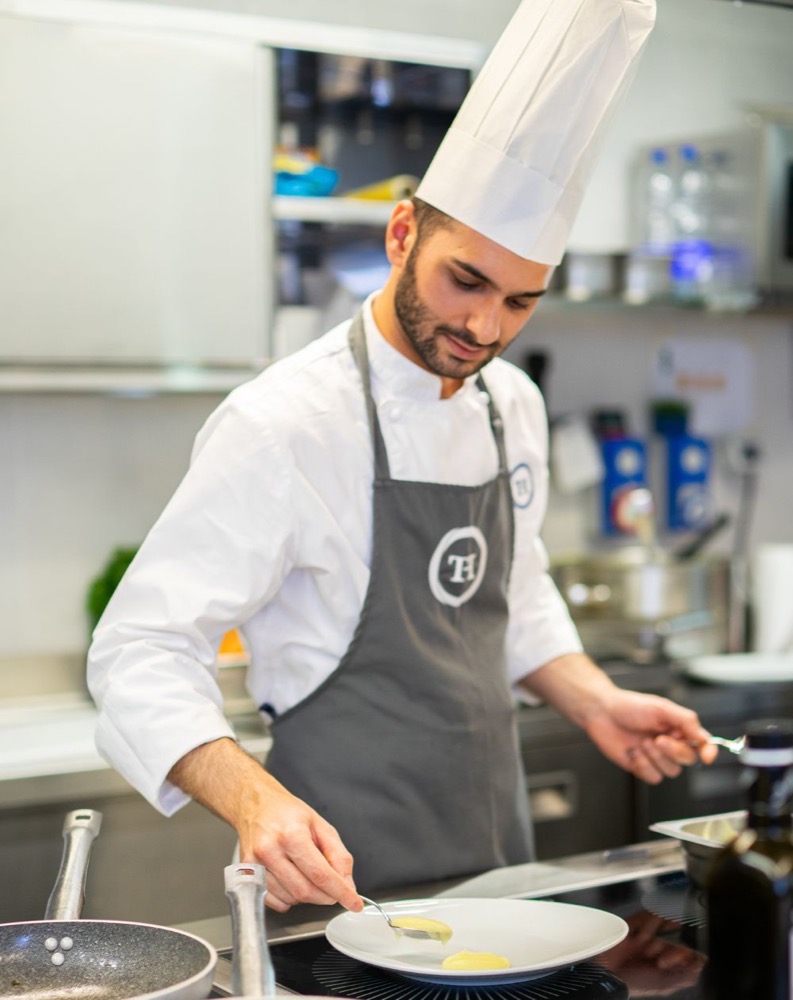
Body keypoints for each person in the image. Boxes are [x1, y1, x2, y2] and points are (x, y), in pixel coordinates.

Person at [87, 0, 718, 915]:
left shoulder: (515, 406)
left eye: (519, 302)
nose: (482, 327)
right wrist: (253, 799)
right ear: (400, 235)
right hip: (332, 892)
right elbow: (138, 648)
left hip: (502, 871)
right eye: (465, 280)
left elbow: (517, 590)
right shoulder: (283, 422)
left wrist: (592, 699)